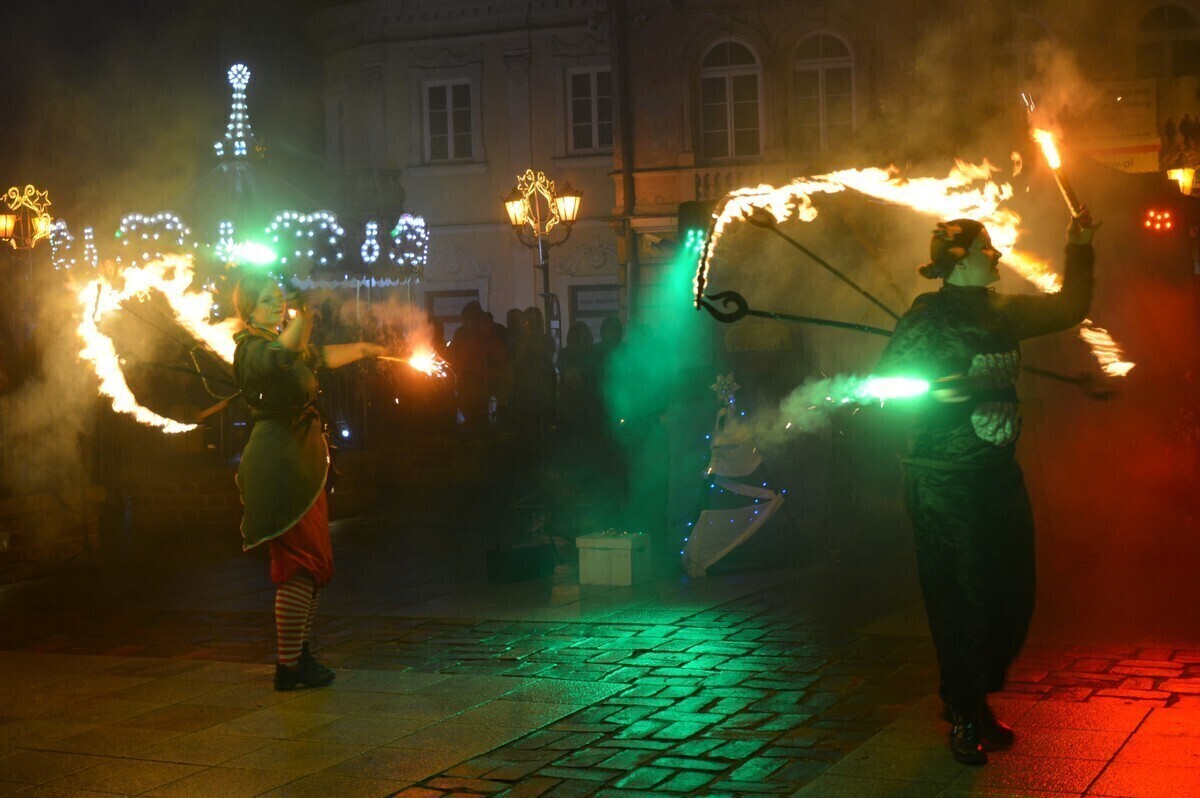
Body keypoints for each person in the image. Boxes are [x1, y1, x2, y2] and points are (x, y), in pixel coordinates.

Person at [874, 209, 1099, 765]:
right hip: (943, 480)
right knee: (963, 594)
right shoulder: (928, 316)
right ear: (957, 259)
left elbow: (1070, 307)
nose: (996, 256)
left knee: (1009, 588)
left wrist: (1080, 247)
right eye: (986, 249)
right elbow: (887, 388)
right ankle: (967, 709)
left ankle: (966, 696)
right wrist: (952, 388)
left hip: (996, 473)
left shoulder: (1001, 312)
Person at [231, 273, 385, 691]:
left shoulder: (285, 345)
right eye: (267, 301)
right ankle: (289, 664)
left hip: (301, 463)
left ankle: (297, 655)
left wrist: (366, 349)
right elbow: (283, 354)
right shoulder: (251, 350)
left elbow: (316, 355)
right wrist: (303, 315)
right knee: (299, 565)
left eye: (279, 299)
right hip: (281, 467)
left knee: (315, 565)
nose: (276, 306)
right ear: (248, 311)